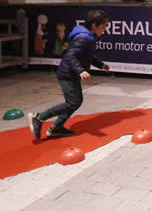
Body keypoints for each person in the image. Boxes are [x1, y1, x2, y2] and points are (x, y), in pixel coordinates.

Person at [29, 10, 111, 139]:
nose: (105, 29)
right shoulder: (84, 37)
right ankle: (39, 118)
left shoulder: (88, 35)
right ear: (94, 25)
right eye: (103, 26)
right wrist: (80, 70)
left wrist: (100, 65)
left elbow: (86, 55)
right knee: (74, 102)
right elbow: (71, 56)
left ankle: (57, 127)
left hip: (71, 73)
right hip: (67, 73)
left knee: (75, 102)